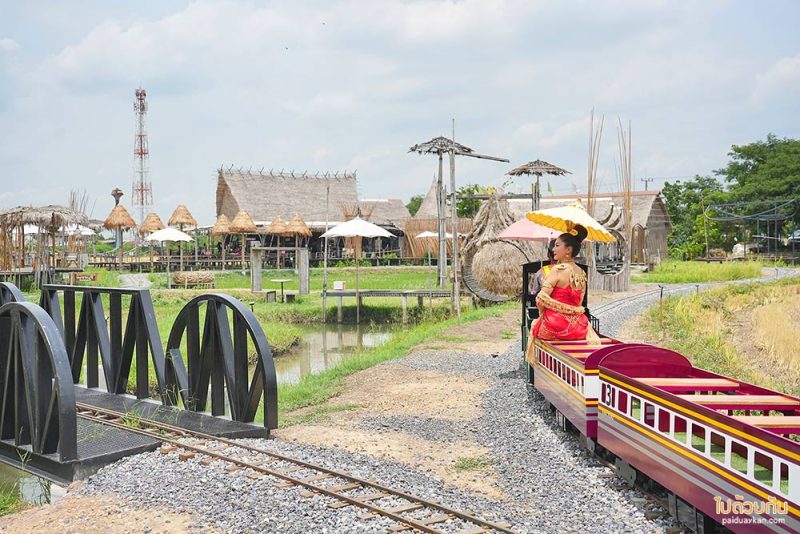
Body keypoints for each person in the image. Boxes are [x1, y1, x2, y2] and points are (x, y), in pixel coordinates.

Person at [531, 223, 595, 342]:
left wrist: (542, 313)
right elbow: (579, 302)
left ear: (568, 250)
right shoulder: (581, 272)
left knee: (535, 326)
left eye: (557, 245)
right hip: (579, 326)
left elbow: (540, 299)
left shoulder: (558, 269)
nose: (553, 249)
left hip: (555, 326)